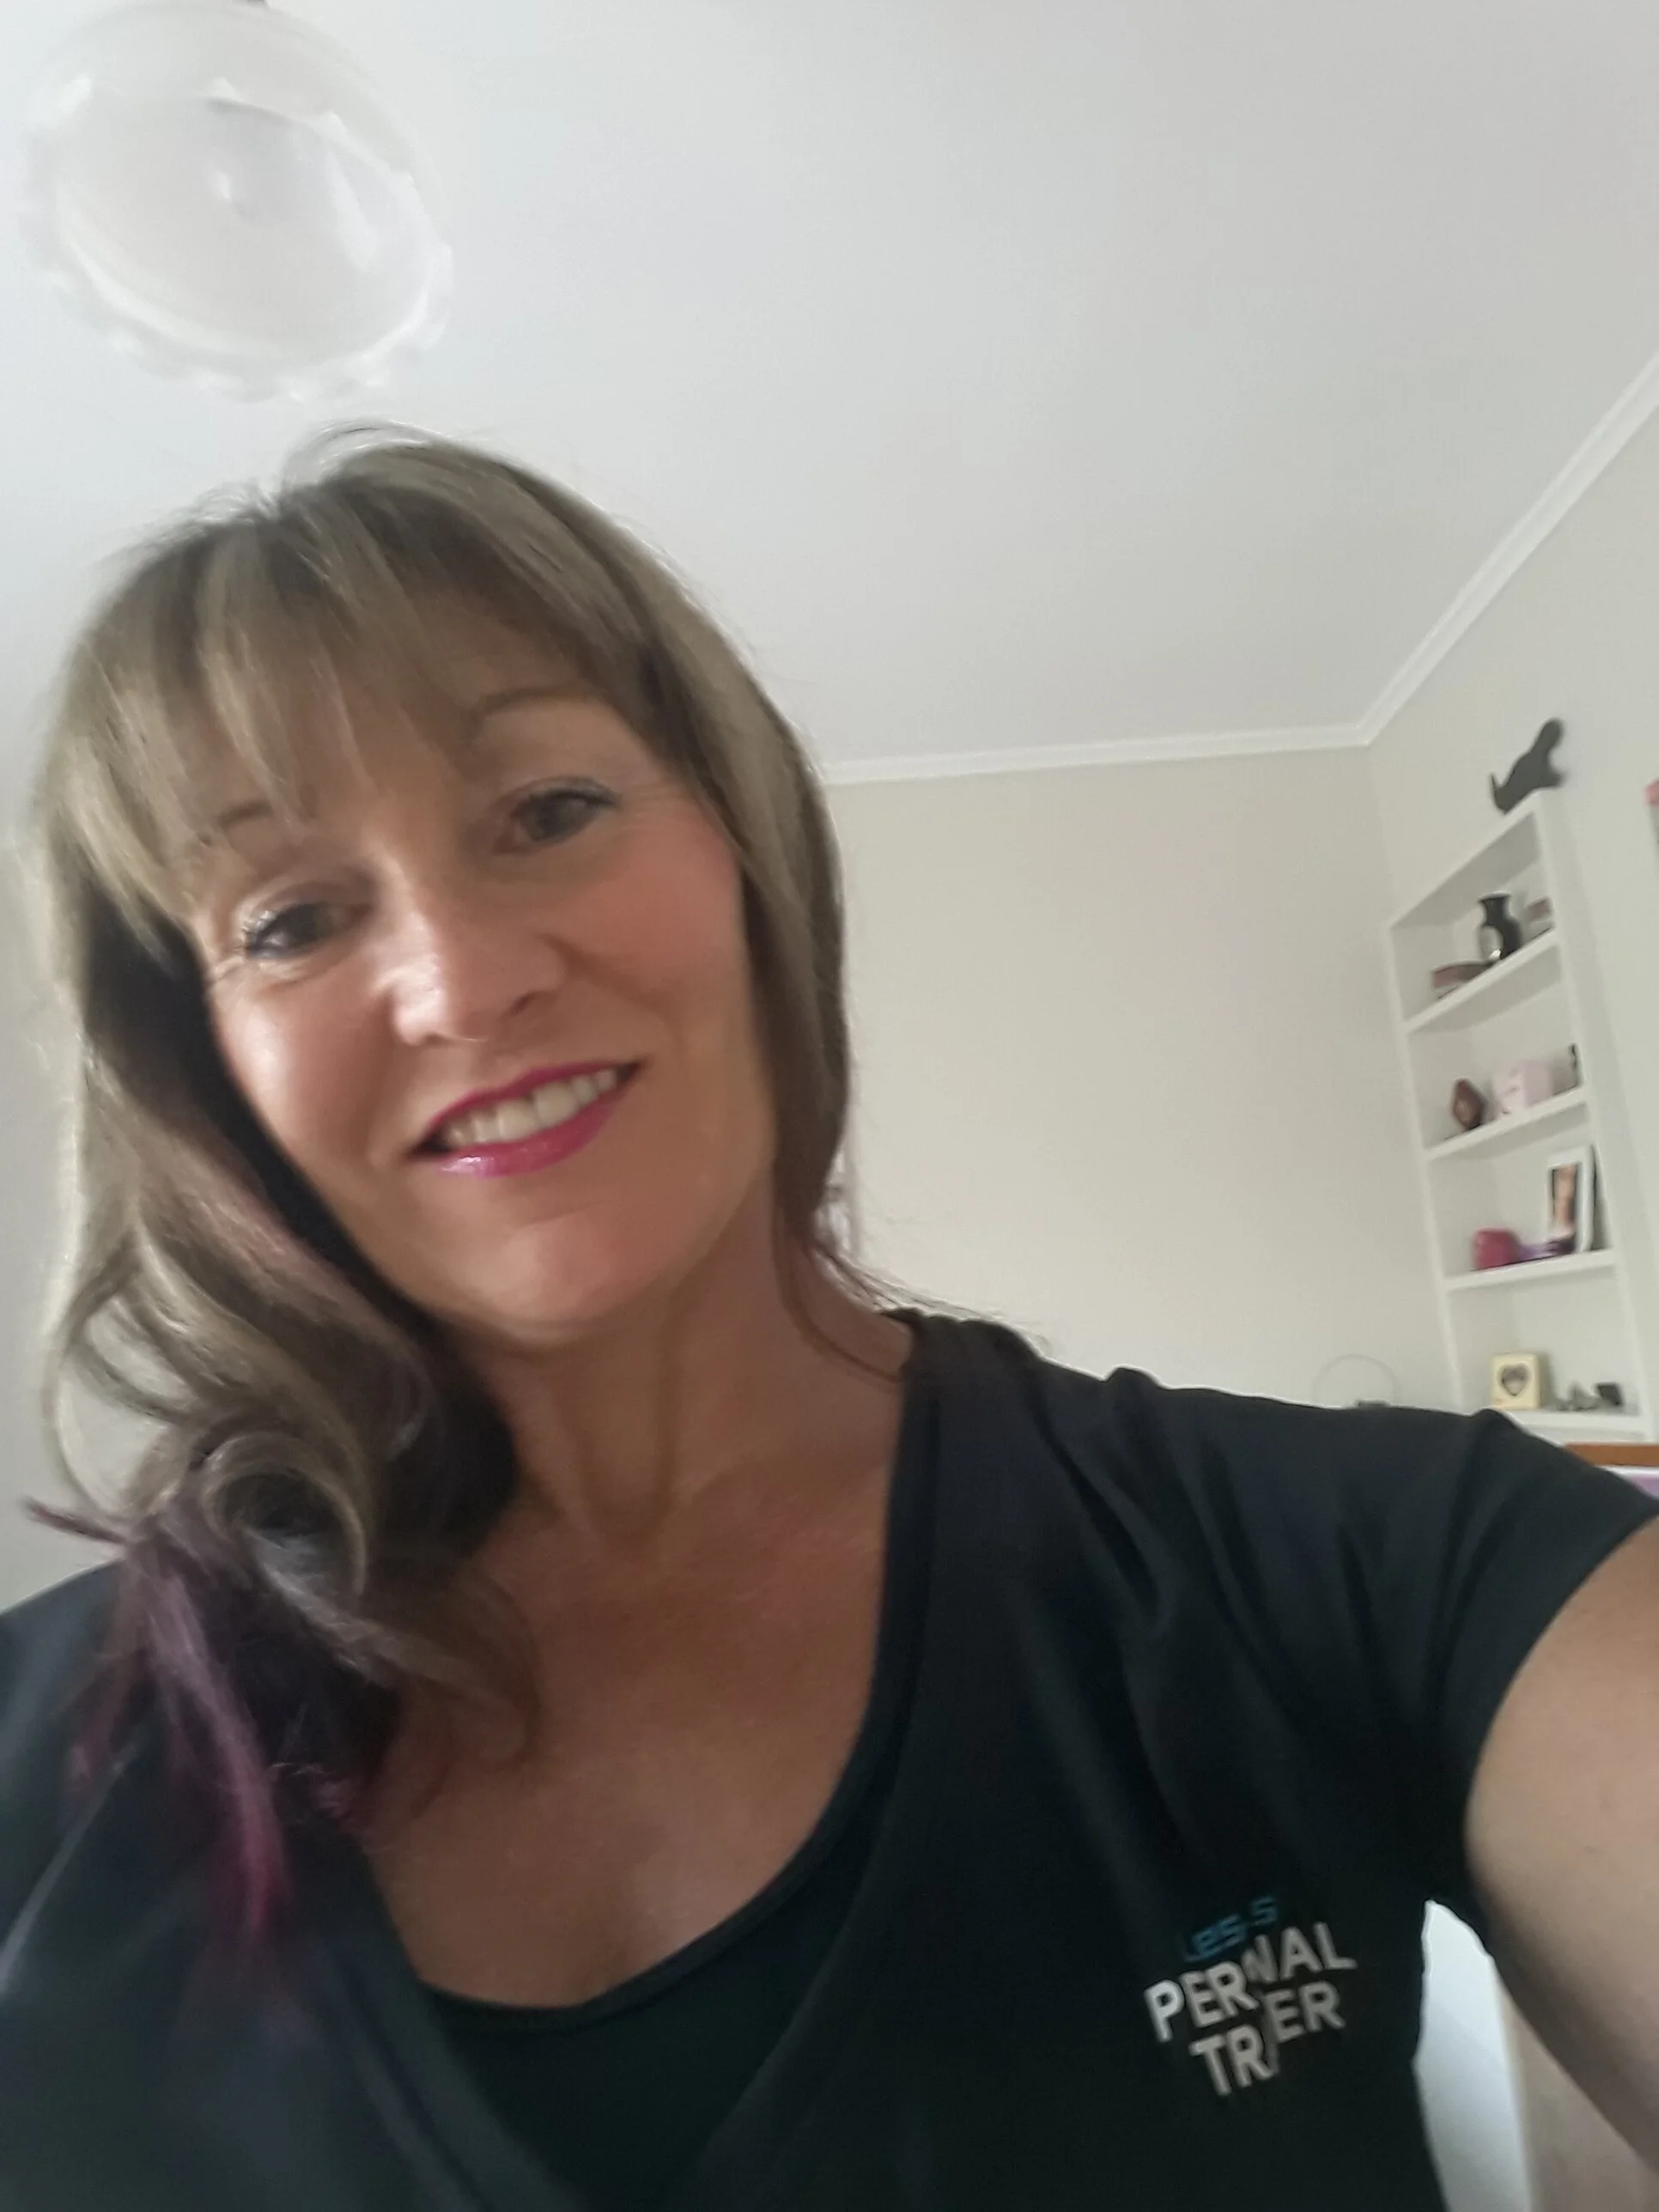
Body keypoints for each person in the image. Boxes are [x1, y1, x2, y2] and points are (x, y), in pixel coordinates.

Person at [3, 431, 1659, 2212]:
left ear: (744, 850)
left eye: (548, 812)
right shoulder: (41, 1774)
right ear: (199, 1060)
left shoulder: (1390, 1566)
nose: (464, 983)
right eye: (292, 918)